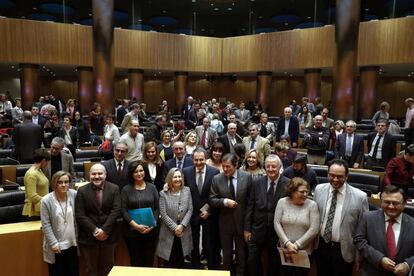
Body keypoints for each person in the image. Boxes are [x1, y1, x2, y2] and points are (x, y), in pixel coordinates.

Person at [313, 159, 369, 276]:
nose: (335, 179)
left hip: (344, 250)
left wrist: (359, 256)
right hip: (321, 246)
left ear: (347, 176)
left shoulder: (360, 197)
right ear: (327, 174)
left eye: (340, 176)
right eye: (332, 175)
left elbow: (363, 229)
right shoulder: (319, 190)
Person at [243, 154, 289, 276]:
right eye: (267, 166)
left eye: (273, 167)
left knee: (274, 264)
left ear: (279, 167)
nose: (270, 169)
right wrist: (247, 229)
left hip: (276, 233)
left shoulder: (287, 184)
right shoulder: (257, 182)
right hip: (256, 230)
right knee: (252, 261)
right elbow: (250, 206)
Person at [354, 185, 414, 276]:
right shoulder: (367, 218)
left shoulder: (412, 223)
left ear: (404, 203)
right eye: (386, 202)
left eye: (395, 203)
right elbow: (359, 241)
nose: (391, 206)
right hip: (372, 271)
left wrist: (408, 264)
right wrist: (379, 259)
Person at [210, 153, 253, 276]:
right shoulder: (217, 179)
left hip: (242, 223)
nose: (225, 169)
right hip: (225, 223)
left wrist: (248, 227)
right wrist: (224, 202)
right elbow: (212, 200)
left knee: (241, 255)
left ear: (236, 165)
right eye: (223, 166)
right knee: (227, 255)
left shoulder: (247, 177)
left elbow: (250, 203)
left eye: (228, 166)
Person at [75, 164, 121, 276]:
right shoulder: (81, 191)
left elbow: (116, 211)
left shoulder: (114, 188)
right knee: (91, 270)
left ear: (105, 175)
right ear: (89, 175)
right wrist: (95, 230)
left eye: (100, 173)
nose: (97, 176)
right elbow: (80, 214)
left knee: (108, 269)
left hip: (109, 236)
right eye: (94, 173)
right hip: (89, 237)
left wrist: (104, 230)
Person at [182, 148, 221, 269]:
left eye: (201, 160)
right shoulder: (186, 171)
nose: (199, 162)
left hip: (209, 212)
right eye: (196, 160)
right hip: (192, 212)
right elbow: (185, 192)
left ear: (206, 159)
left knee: (210, 242)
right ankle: (195, 266)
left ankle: (212, 267)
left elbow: (216, 194)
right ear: (192, 159)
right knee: (193, 241)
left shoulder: (214, 172)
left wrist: (208, 210)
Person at [274, 177, 320, 276]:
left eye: (306, 192)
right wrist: (288, 244)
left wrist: (297, 245)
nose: (305, 195)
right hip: (285, 250)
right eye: (302, 192)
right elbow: (277, 223)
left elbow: (314, 229)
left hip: (304, 251)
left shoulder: (312, 205)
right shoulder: (282, 202)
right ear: (292, 191)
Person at [121, 160, 159, 267]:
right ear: (131, 174)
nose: (139, 173)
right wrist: (136, 226)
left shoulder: (152, 187)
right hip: (132, 232)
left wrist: (153, 224)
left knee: (149, 260)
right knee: (135, 261)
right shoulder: (126, 189)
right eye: (135, 171)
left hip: (150, 231)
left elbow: (157, 208)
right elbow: (123, 210)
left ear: (145, 171)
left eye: (141, 170)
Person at [40, 171, 79, 276]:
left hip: (73, 243)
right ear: (54, 183)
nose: (64, 185)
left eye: (66, 182)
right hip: (56, 246)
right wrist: (53, 243)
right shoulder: (46, 200)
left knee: (73, 272)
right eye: (60, 182)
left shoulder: (74, 194)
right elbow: (46, 224)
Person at [156, 168, 193, 268]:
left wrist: (182, 226)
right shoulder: (163, 194)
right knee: (169, 262)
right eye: (175, 177)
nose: (178, 179)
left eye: (179, 176)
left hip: (183, 232)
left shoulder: (187, 190)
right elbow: (163, 214)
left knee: (181, 260)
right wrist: (175, 228)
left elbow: (190, 209)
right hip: (169, 232)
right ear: (170, 179)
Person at [23, 148, 50, 218]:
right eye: (47, 162)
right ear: (43, 160)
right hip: (34, 212)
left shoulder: (39, 171)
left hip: (41, 208)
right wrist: (49, 201)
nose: (47, 165)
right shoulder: (32, 174)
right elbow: (32, 196)